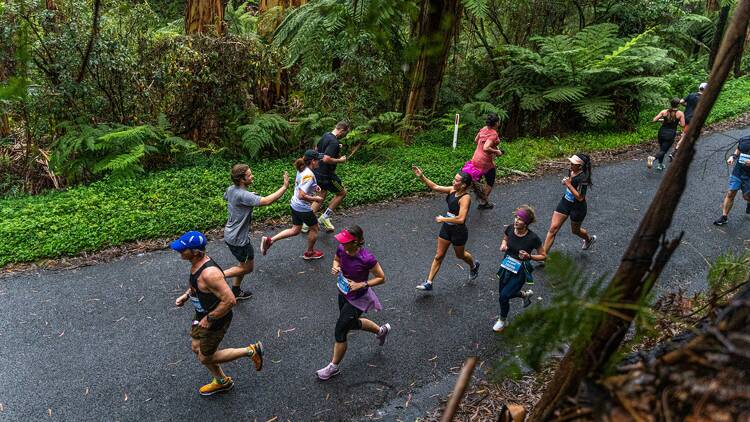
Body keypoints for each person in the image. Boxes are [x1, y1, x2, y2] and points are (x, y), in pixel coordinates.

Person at [171, 231, 264, 396]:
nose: (179, 251)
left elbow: (230, 301)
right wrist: (186, 296)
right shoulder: (197, 265)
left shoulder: (210, 274)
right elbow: (196, 285)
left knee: (205, 358)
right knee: (196, 347)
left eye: (183, 249)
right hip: (202, 315)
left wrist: (210, 318)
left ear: (196, 252)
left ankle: (251, 351)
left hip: (215, 319)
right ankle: (222, 381)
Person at [316, 225, 391, 380]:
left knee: (340, 330)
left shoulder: (367, 258)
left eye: (346, 241)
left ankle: (333, 367)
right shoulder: (342, 249)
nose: (342, 243)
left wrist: (362, 284)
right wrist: (335, 267)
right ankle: (381, 331)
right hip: (343, 292)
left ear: (356, 241)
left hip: (358, 299)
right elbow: (336, 260)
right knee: (351, 323)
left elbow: (381, 278)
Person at [223, 164, 290, 300]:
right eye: (249, 175)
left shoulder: (231, 189)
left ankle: (235, 290)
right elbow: (266, 201)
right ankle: (215, 276)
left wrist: (248, 197)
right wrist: (284, 187)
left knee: (242, 265)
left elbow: (229, 197)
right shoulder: (243, 195)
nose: (252, 176)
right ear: (242, 180)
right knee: (247, 268)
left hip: (230, 234)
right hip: (239, 239)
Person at [412, 165, 480, 291]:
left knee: (460, 255)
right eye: (454, 179)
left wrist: (444, 219)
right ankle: (429, 282)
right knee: (439, 256)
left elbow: (461, 219)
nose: (453, 181)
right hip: (446, 229)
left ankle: (474, 265)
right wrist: (421, 176)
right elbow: (435, 187)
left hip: (458, 232)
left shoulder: (465, 198)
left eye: (456, 180)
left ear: (464, 185)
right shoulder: (452, 190)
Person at [261, 150, 325, 260]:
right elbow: (302, 195)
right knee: (315, 229)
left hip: (294, 204)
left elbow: (302, 185)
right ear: (312, 161)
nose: (320, 161)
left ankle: (270, 240)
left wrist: (314, 187)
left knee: (295, 230)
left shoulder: (302, 168)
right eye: (318, 160)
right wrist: (316, 198)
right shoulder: (309, 175)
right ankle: (309, 253)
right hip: (302, 207)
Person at [494, 205, 546, 332]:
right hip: (506, 266)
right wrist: (503, 245)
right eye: (516, 217)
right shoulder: (511, 229)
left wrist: (530, 256)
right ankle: (524, 295)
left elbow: (544, 256)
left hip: (520, 270)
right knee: (503, 294)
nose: (516, 220)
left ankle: (503, 320)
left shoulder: (533, 238)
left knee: (504, 296)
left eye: (520, 219)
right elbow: (505, 238)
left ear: (526, 223)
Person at [542, 154, 597, 253]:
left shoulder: (583, 178)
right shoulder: (571, 171)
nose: (570, 165)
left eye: (573, 164)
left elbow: (580, 197)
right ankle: (543, 256)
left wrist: (568, 184)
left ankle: (588, 239)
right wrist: (567, 181)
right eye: (571, 163)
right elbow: (570, 182)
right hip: (565, 202)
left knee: (575, 231)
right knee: (553, 228)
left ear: (580, 166)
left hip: (577, 208)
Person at [305, 121, 350, 233]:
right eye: (345, 133)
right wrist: (340, 160)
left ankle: (306, 223)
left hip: (317, 172)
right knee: (342, 193)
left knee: (320, 196)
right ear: (342, 130)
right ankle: (325, 217)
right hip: (327, 175)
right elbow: (326, 158)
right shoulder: (334, 142)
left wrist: (336, 147)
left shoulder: (326, 135)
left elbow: (317, 149)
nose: (344, 135)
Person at [713, 135, 750, 226]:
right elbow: (738, 149)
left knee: (747, 197)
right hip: (738, 172)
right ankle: (724, 217)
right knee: (730, 193)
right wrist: (733, 157)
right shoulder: (744, 139)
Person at [470, 113, 504, 209]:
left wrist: (492, 146)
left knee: (475, 180)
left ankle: (461, 197)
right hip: (485, 162)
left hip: (475, 158)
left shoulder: (484, 129)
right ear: (497, 123)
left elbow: (476, 140)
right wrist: (496, 151)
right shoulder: (493, 133)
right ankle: (483, 202)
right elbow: (486, 148)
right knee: (490, 181)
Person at [648, 99, 685, 171]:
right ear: (678, 105)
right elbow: (683, 125)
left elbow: (654, 120)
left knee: (662, 149)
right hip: (670, 134)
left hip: (661, 132)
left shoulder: (664, 111)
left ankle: (660, 165)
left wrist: (661, 120)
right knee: (663, 151)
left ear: (671, 104)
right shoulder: (680, 113)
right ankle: (653, 158)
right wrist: (677, 122)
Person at [673, 82, 707, 159]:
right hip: (693, 119)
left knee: (686, 134)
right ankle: (675, 152)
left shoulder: (691, 94)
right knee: (686, 136)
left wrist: (686, 105)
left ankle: (683, 149)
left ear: (699, 88)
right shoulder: (704, 99)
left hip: (685, 117)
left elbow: (681, 102)